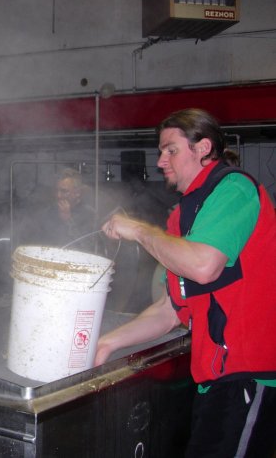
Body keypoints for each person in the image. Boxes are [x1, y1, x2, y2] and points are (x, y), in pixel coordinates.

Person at [96, 108, 276, 457]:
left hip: (249, 374)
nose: (161, 161)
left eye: (171, 150)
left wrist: (137, 229)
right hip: (215, 380)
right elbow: (168, 308)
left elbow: (203, 266)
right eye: (160, 151)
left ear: (203, 147)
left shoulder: (234, 188)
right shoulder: (183, 217)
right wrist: (106, 343)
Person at [16, 167, 95, 249]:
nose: (58, 195)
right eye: (57, 190)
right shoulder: (48, 212)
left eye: (64, 191)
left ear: (77, 193)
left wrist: (68, 220)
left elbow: (88, 247)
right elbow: (32, 241)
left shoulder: (89, 214)